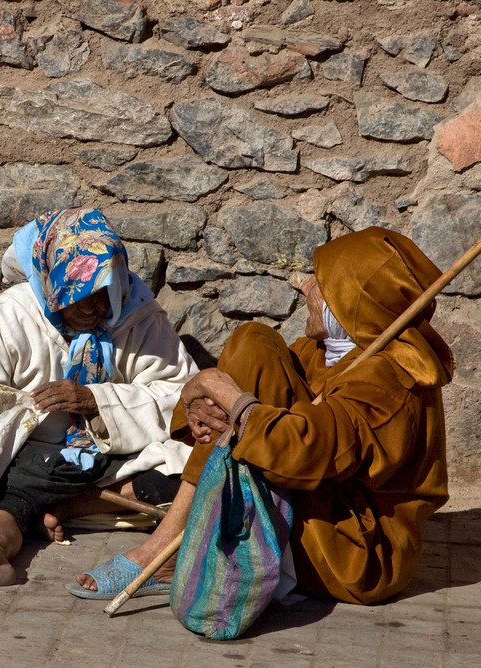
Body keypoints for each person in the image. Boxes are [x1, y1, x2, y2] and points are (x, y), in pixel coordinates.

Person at [69, 226, 454, 605]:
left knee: (244, 379)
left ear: (351, 303)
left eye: (321, 284)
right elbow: (253, 384)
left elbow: (303, 452)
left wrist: (222, 392)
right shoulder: (323, 350)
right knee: (254, 343)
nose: (305, 287)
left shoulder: (387, 380)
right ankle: (172, 541)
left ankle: (164, 547)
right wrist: (198, 391)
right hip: (319, 502)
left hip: (354, 549)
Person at [0, 207, 198, 586]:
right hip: (32, 456)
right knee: (14, 496)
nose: (93, 307)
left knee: (192, 469)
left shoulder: (138, 315)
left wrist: (97, 401)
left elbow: (180, 397)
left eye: (103, 294)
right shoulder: (14, 314)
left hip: (115, 459)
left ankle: (71, 506)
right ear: (53, 282)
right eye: (79, 295)